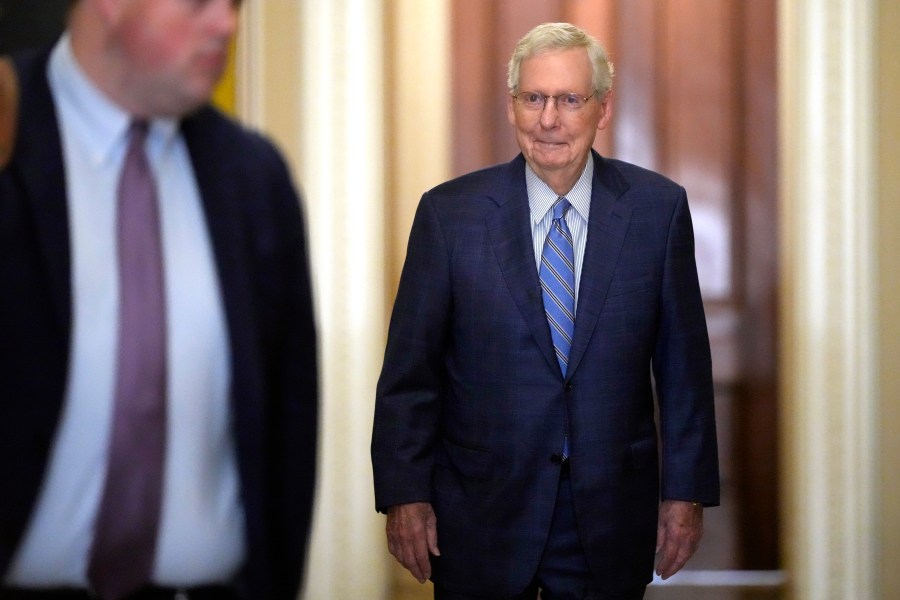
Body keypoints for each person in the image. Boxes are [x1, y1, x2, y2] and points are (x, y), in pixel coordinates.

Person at [371, 22, 719, 600]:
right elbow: (410, 377)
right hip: (479, 516)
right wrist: (405, 495)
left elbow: (685, 370)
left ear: (602, 109)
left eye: (569, 100)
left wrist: (685, 494)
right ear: (512, 107)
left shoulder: (658, 212)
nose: (549, 119)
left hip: (608, 519)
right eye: (533, 98)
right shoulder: (449, 216)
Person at [0, 1, 317, 599]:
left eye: (235, 5)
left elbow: (287, 430)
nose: (226, 24)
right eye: (201, 3)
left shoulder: (255, 179)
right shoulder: (10, 135)